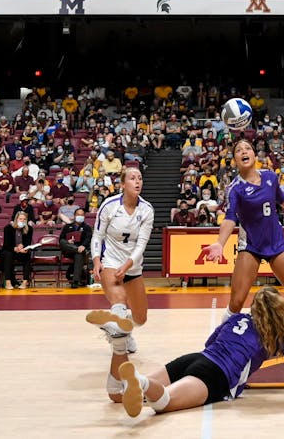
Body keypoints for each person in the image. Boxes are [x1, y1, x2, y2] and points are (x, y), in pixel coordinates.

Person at [203, 140, 284, 373]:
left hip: (276, 243)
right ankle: (214, 351)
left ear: (255, 154)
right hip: (250, 246)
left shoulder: (270, 177)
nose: (244, 152)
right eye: (238, 151)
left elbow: (282, 200)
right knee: (236, 302)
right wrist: (219, 243)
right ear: (234, 160)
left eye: (247, 149)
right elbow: (230, 219)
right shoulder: (235, 188)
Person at [117, 285, 284, 418]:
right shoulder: (276, 336)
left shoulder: (236, 319)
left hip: (197, 358)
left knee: (123, 395)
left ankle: (135, 380)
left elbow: (209, 341)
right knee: (163, 403)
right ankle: (142, 382)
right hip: (216, 375)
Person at [84, 168, 155, 402]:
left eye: (141, 178)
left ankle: (118, 328)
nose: (138, 181)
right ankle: (118, 330)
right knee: (119, 300)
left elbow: (141, 244)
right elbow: (97, 236)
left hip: (132, 265)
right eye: (133, 178)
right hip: (111, 262)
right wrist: (96, 260)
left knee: (141, 318)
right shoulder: (109, 205)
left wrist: (129, 264)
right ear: (122, 183)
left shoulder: (146, 209)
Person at [60, 206, 93, 288]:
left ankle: (75, 281)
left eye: (82, 215)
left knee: (79, 253)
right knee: (62, 242)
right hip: (68, 249)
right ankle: (76, 249)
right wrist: (68, 242)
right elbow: (61, 239)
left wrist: (83, 245)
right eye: (78, 214)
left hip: (81, 250)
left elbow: (88, 239)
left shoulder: (87, 227)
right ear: (74, 216)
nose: (80, 216)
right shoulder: (67, 226)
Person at [1, 209, 34, 289]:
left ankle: (25, 282)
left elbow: (27, 243)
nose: (22, 221)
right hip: (9, 250)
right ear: (16, 219)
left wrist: (24, 248)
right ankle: (8, 282)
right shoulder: (8, 228)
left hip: (21, 252)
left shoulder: (29, 229)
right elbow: (6, 245)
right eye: (20, 219)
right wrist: (15, 248)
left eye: (24, 219)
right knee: (8, 255)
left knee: (27, 255)